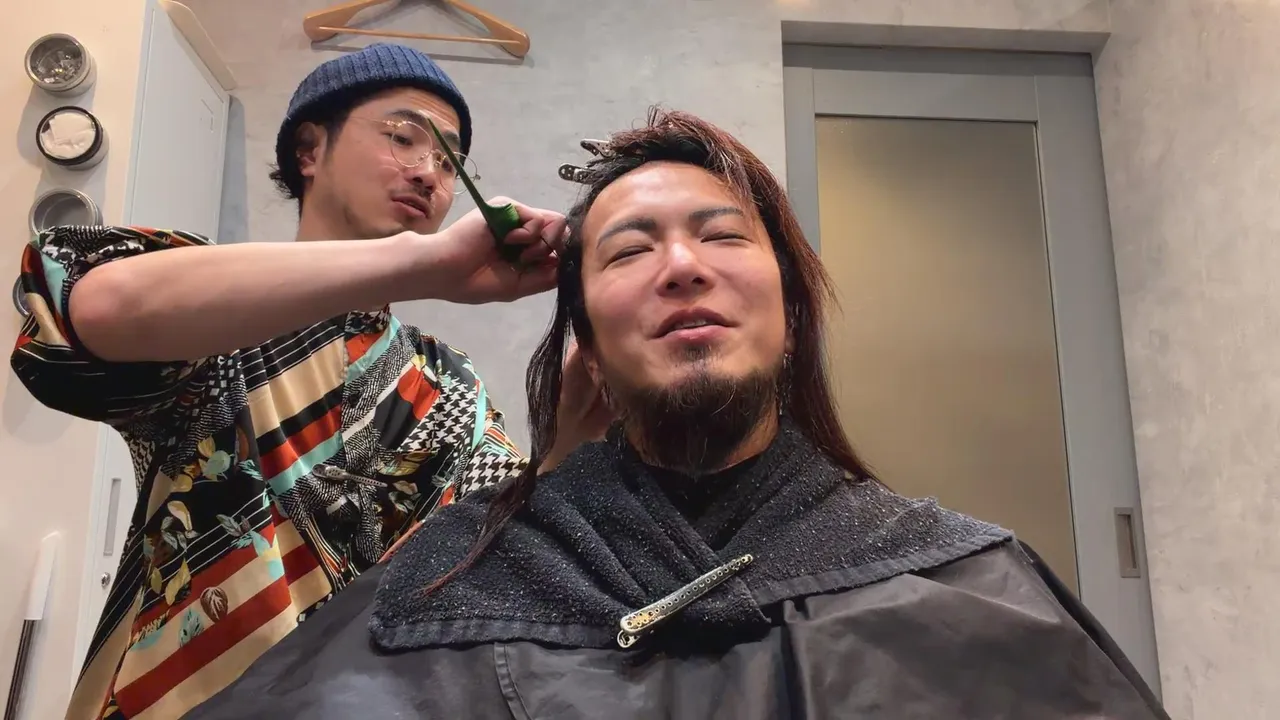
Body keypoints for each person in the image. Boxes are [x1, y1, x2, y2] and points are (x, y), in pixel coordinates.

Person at [181, 108, 1171, 720]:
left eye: (722, 236)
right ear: (588, 344)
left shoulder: (970, 584)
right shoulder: (445, 587)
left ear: (791, 312)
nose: (683, 266)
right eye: (628, 250)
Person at [11, 44, 604, 720]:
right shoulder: (222, 317)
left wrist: (569, 438)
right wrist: (419, 263)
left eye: (450, 163)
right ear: (309, 150)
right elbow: (89, 310)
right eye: (404, 137)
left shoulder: (446, 382)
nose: (430, 174)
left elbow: (495, 548)